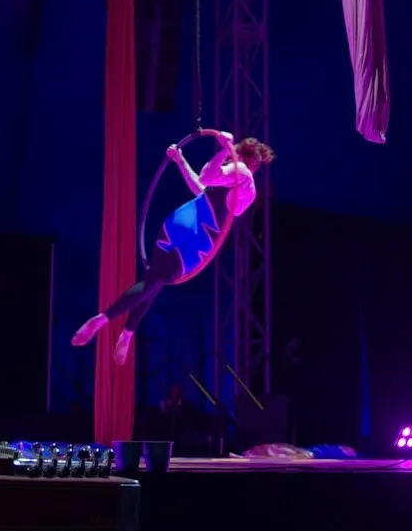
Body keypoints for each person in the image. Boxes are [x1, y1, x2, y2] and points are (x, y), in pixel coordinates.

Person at [73, 134, 275, 365]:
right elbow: (203, 187)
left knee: (152, 280)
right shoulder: (246, 185)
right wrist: (181, 160)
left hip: (181, 221)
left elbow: (205, 179)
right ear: (256, 164)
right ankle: (105, 320)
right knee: (155, 281)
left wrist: (222, 152)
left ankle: (126, 332)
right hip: (198, 239)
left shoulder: (241, 173)